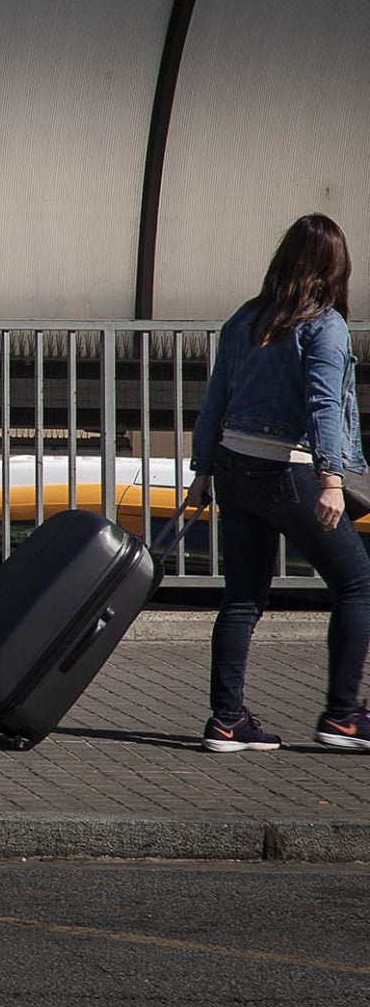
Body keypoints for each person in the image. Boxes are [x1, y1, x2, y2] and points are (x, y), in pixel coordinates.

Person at [185, 213, 370, 753]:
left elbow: (215, 400)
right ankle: (343, 716)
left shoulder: (245, 318)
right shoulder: (324, 324)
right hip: (288, 470)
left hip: (233, 466)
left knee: (242, 595)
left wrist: (201, 472)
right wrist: (332, 478)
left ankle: (226, 720)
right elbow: (322, 407)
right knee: (357, 583)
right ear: (336, 267)